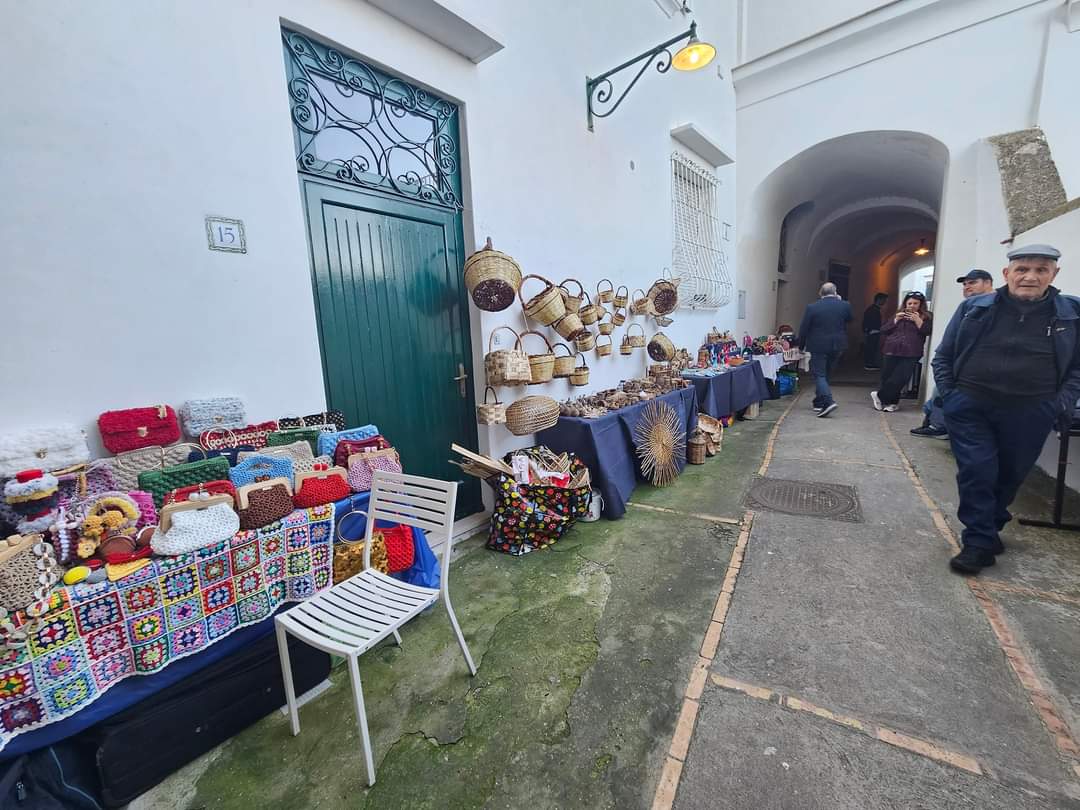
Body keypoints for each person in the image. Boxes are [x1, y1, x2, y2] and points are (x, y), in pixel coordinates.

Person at [932, 243, 1080, 574]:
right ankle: (977, 542)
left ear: (1054, 274)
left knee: (1011, 475)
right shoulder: (976, 308)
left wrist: (1061, 402)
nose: (1030, 277)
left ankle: (989, 526)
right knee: (977, 470)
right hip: (972, 405)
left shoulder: (1071, 314)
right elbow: (944, 355)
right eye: (1022, 269)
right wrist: (951, 395)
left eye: (1041, 270)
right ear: (1007, 273)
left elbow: (1076, 369)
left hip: (1032, 410)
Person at [911, 270, 996, 438]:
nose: (967, 287)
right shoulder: (968, 306)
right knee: (939, 394)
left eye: (972, 283)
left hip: (977, 370)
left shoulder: (996, 307)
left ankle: (940, 427)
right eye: (965, 284)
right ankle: (936, 423)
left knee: (942, 395)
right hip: (958, 364)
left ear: (988, 283)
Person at [797, 282, 853, 418]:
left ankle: (828, 401)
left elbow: (804, 328)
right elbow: (850, 320)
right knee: (826, 373)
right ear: (835, 292)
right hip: (838, 345)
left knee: (819, 374)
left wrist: (800, 345)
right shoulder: (845, 305)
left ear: (820, 293)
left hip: (818, 345)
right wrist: (839, 301)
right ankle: (819, 402)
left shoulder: (812, 307)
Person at [871, 291, 932, 412]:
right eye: (909, 303)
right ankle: (891, 403)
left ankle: (879, 396)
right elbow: (884, 329)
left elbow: (926, 331)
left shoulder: (927, 316)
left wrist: (917, 320)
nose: (912, 306)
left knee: (901, 378)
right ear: (905, 304)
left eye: (915, 303)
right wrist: (896, 320)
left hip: (911, 351)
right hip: (891, 349)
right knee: (887, 377)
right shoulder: (898, 314)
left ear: (921, 304)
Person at [862, 293, 888, 370]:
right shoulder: (873, 310)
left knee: (872, 348)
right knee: (871, 348)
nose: (885, 302)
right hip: (873, 332)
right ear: (879, 300)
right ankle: (869, 364)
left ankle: (870, 363)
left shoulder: (873, 309)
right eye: (884, 300)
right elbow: (868, 321)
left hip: (872, 331)